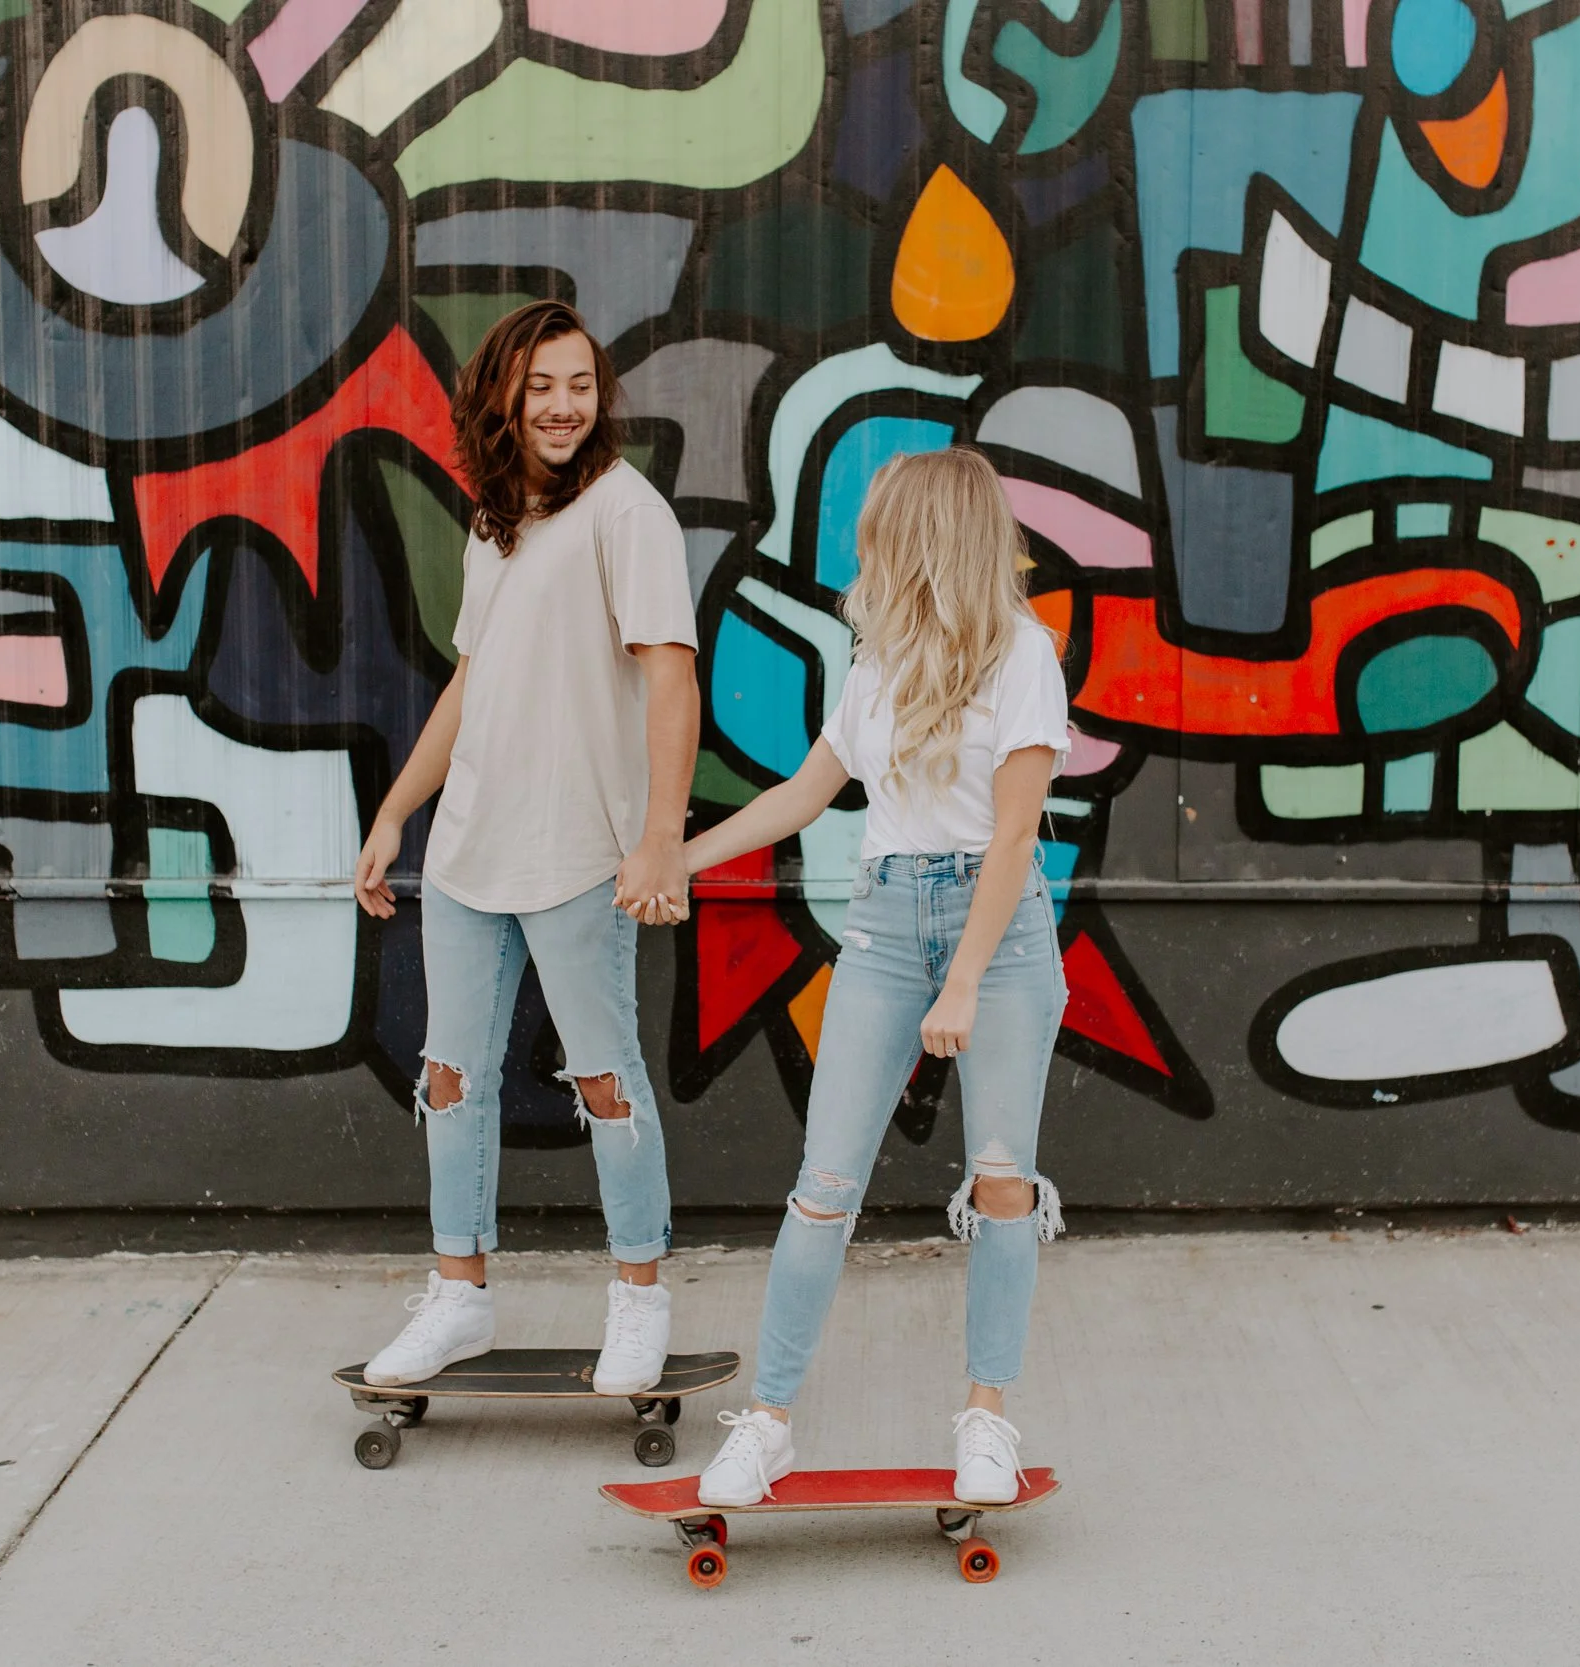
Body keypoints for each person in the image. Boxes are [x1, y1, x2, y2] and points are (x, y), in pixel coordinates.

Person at [682, 446, 1070, 1508]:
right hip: (888, 920)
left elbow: (1012, 837)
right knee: (823, 1186)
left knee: (1000, 1183)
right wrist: (683, 856)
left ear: (925, 539)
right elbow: (805, 794)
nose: (866, 550)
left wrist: (965, 981)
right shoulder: (876, 668)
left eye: (882, 531)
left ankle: (986, 1418)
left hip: (1000, 934)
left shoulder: (1023, 656)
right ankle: (766, 1423)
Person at [352, 300, 699, 1396]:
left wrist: (658, 841)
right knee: (450, 1078)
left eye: (579, 385)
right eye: (541, 385)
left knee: (606, 1079)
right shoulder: (500, 519)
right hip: (467, 852)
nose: (562, 405)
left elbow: (671, 677)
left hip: (578, 853)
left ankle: (639, 1299)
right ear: (501, 394)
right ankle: (460, 1297)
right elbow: (473, 678)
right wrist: (397, 809)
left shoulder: (624, 510)